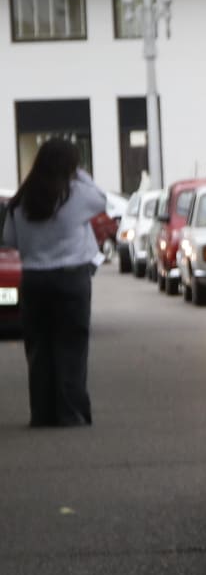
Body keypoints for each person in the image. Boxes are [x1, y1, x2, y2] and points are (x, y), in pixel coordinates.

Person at [4, 138, 114, 426]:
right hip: (70, 278)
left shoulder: (22, 198)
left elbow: (10, 240)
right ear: (71, 166)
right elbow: (102, 199)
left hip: (34, 280)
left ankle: (42, 412)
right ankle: (70, 412)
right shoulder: (75, 193)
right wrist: (80, 174)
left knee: (39, 348)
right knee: (71, 346)